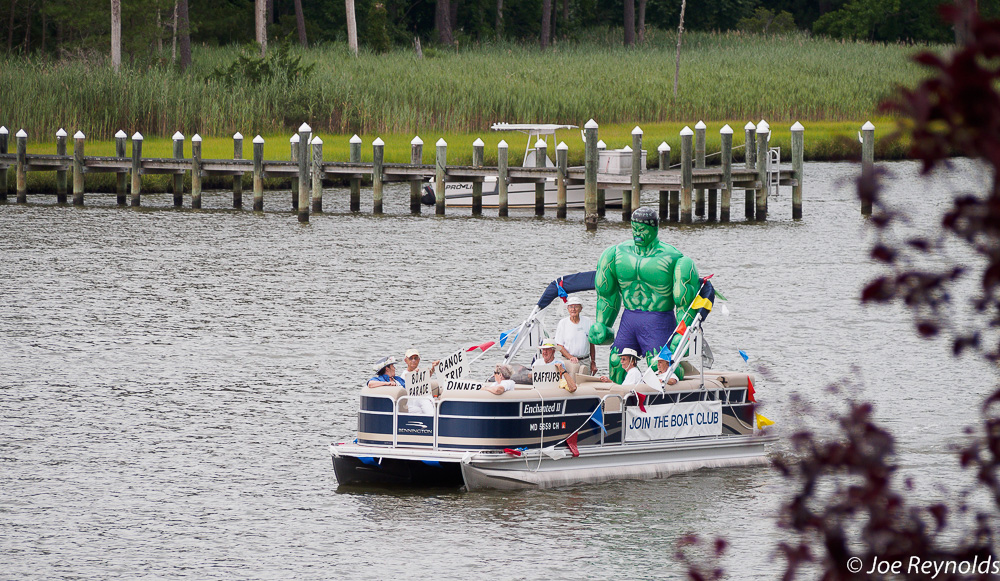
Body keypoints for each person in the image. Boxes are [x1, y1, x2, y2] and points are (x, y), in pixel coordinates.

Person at [588, 207, 701, 384]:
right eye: (635, 229)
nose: (637, 234)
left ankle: (674, 375)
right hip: (630, 317)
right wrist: (603, 324)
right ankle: (619, 404)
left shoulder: (674, 258)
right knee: (616, 361)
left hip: (659, 320)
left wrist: (684, 333)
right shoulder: (616, 254)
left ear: (655, 228)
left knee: (657, 365)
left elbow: (684, 303)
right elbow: (606, 295)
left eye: (642, 229)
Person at [555, 296, 598, 375]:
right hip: (567, 361)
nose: (573, 309)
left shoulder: (588, 321)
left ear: (581, 308)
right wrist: (570, 357)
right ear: (567, 309)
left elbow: (592, 343)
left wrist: (593, 362)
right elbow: (559, 345)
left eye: (576, 306)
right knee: (568, 385)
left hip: (585, 361)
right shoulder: (563, 323)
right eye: (571, 307)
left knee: (585, 385)